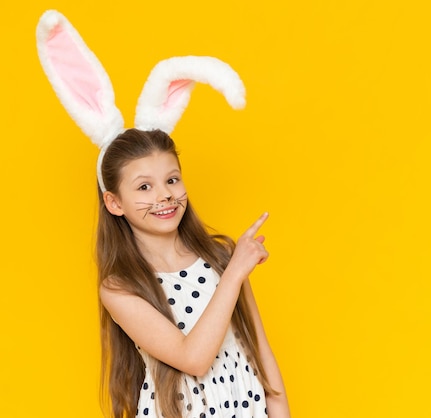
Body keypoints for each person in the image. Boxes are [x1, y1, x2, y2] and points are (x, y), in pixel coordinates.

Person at [96, 128, 290, 418]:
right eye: (144, 187)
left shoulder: (221, 256)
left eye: (172, 180)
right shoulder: (120, 287)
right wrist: (235, 272)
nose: (165, 195)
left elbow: (262, 353)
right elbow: (194, 358)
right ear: (115, 203)